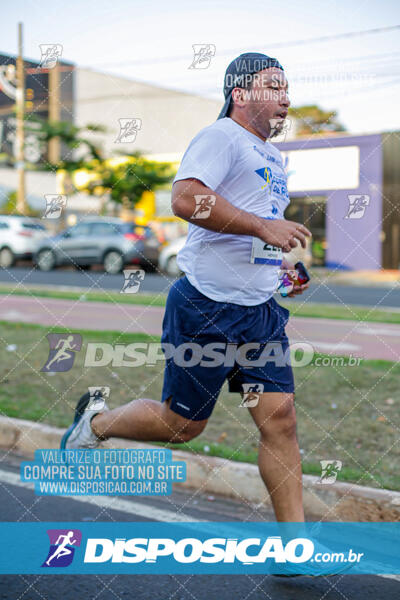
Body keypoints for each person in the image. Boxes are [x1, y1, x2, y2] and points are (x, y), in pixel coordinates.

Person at [61, 51, 322, 562]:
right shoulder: (220, 137)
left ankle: (296, 548)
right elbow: (185, 200)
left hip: (259, 312)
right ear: (240, 93)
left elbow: (257, 228)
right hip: (206, 306)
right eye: (274, 85)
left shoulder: (272, 156)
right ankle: (95, 424)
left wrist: (282, 268)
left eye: (288, 87)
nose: (286, 96)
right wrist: (262, 225)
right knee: (183, 426)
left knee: (280, 419)